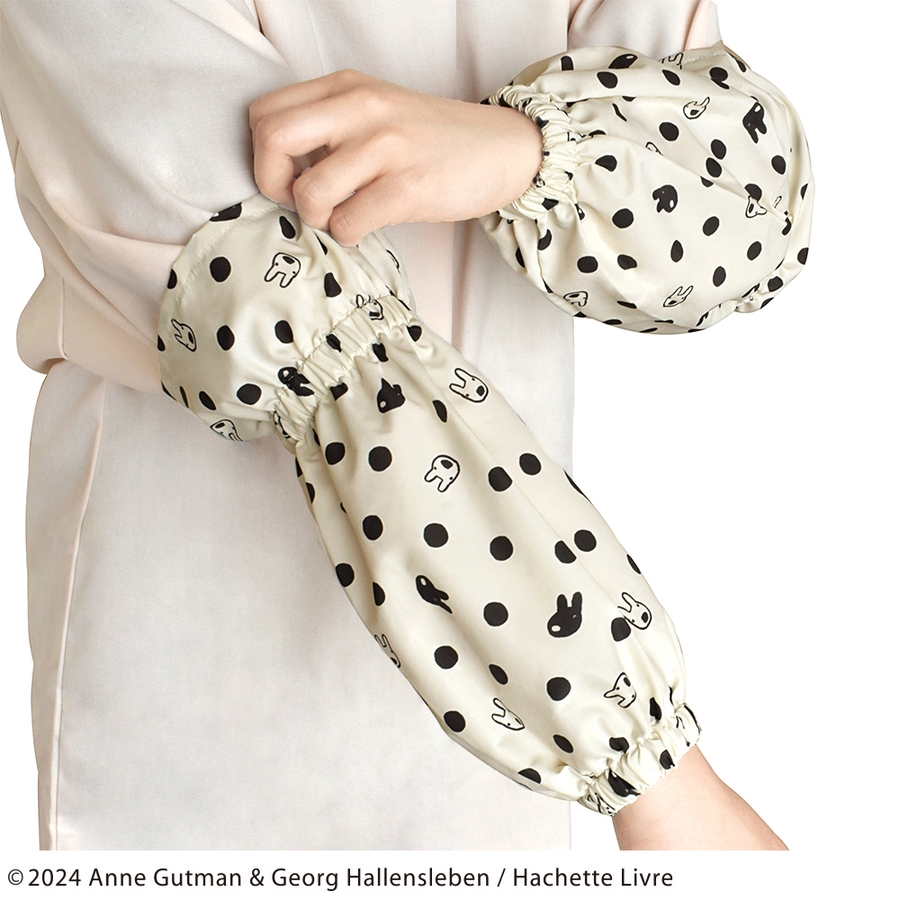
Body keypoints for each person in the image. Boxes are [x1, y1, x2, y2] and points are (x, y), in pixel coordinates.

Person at [0, 0, 801, 849]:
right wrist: (657, 777)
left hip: (531, 693)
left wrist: (524, 152)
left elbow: (744, 196)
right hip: (225, 684)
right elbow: (282, 301)